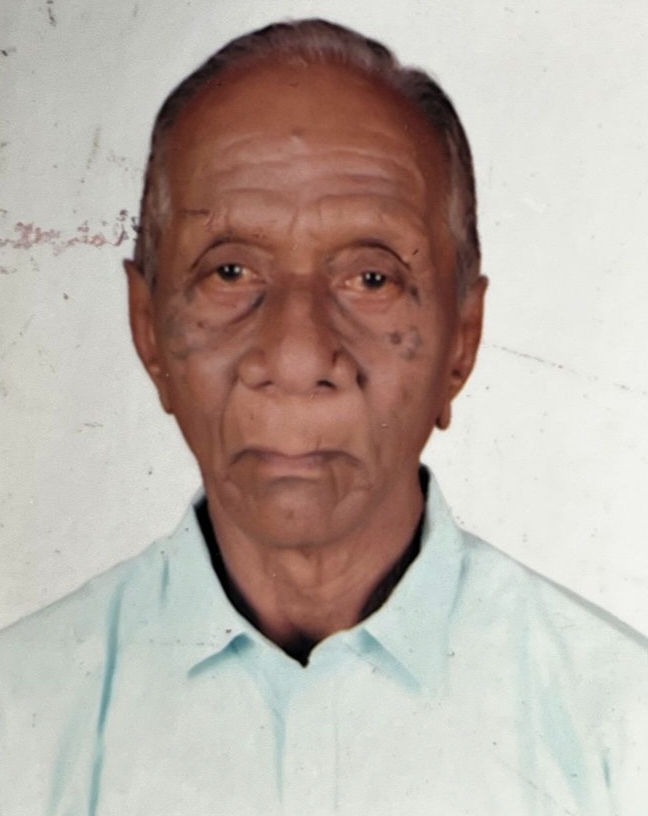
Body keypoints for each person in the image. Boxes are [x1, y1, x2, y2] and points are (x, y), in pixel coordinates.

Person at [1, 18, 647, 815]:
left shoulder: (622, 729)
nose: (298, 355)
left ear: (462, 339)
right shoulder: (19, 726)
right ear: (148, 330)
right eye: (229, 272)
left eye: (372, 278)